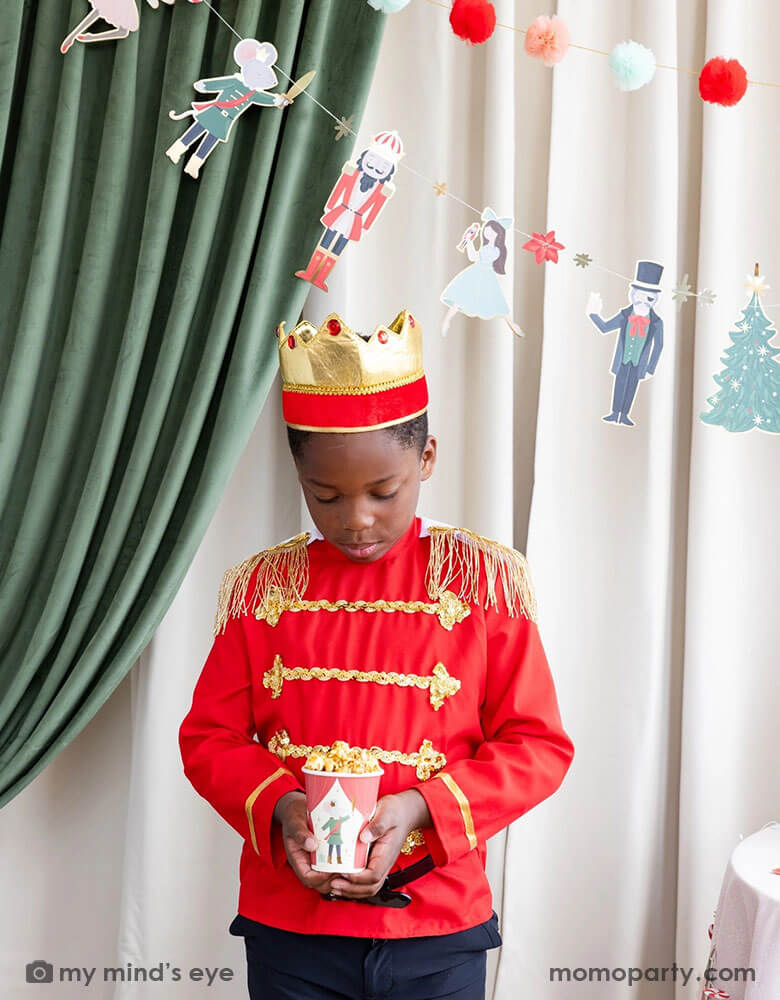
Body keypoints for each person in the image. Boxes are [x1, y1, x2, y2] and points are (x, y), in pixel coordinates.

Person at [178, 308, 575, 999]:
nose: (355, 519)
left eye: (383, 492)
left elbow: (539, 746)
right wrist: (281, 807)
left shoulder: (480, 585)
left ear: (425, 460)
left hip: (439, 922)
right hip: (292, 927)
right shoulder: (264, 590)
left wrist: (422, 807)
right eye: (324, 496)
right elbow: (209, 736)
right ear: (298, 474)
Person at [295, 131, 403, 292]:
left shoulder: (382, 190)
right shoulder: (352, 172)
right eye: (373, 160)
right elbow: (340, 188)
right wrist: (330, 206)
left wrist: (366, 226)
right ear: (365, 157)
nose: (376, 167)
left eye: (384, 166)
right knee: (325, 242)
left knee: (337, 249)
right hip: (340, 212)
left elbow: (375, 210)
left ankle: (320, 277)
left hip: (356, 220)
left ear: (389, 170)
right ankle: (310, 272)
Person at [586, 260, 665, 427]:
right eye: (640, 296)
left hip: (639, 363)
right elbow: (605, 327)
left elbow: (659, 346)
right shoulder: (624, 315)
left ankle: (625, 415)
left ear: (654, 299)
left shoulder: (657, 322)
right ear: (633, 294)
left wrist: (651, 367)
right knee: (620, 384)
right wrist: (593, 314)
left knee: (631, 387)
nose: (643, 301)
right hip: (622, 360)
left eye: (649, 297)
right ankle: (615, 413)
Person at [440, 208, 523, 338]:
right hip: (476, 272)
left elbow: (477, 258)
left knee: (498, 304)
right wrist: (469, 242)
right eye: (486, 230)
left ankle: (513, 326)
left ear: (497, 234)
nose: (487, 232)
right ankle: (446, 321)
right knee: (460, 298)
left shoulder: (496, 250)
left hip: (484, 275)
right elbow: (473, 257)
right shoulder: (486, 247)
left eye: (490, 231)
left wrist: (470, 242)